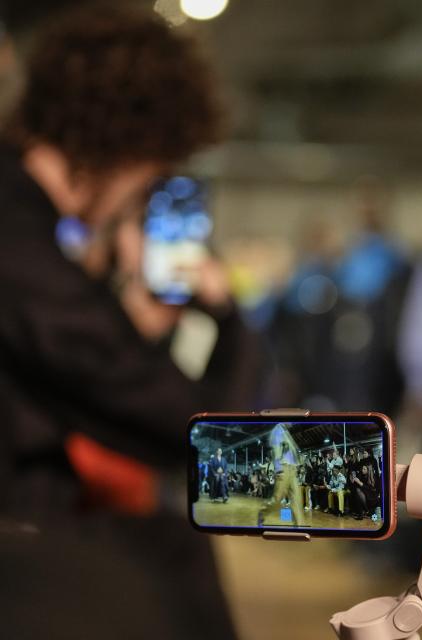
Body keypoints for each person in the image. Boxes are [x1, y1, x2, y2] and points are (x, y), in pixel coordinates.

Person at [0, 5, 259, 639]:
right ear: (130, 144)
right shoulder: (17, 236)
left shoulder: (24, 232)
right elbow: (185, 427)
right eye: (153, 174)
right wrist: (224, 320)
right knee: (176, 568)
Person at [258, 423, 306, 526]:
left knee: (297, 500)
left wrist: (297, 466)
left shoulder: (286, 432)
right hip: (283, 468)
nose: (292, 423)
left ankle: (299, 527)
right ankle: (263, 512)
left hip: (292, 470)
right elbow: (275, 452)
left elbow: (292, 453)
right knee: (277, 500)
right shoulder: (277, 431)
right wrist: (279, 469)